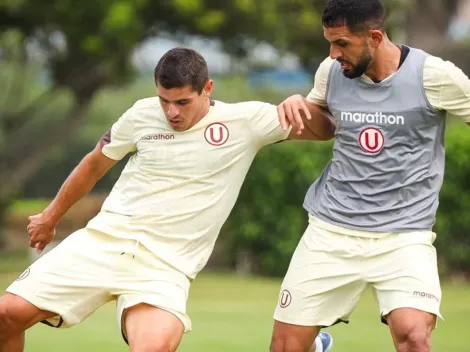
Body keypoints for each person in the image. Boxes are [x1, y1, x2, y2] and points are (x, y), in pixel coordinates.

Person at [0, 47, 335, 352]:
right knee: (5, 315)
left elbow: (327, 128)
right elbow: (92, 166)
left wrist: (301, 104)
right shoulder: (140, 115)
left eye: (182, 102)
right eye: (164, 100)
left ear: (207, 89)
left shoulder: (246, 121)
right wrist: (50, 217)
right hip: (103, 242)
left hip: (164, 267)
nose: (171, 112)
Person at [270, 0, 470, 351]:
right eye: (329, 43)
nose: (333, 54)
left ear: (375, 36)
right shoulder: (330, 72)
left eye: (342, 43)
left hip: (404, 234)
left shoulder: (434, 75)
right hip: (332, 228)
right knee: (286, 346)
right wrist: (298, 107)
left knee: (414, 336)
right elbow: (323, 127)